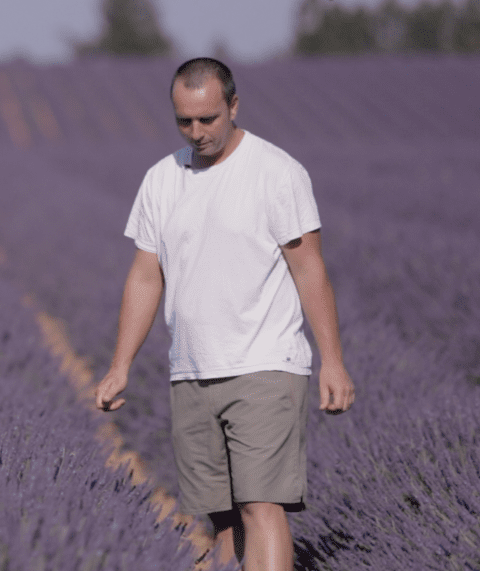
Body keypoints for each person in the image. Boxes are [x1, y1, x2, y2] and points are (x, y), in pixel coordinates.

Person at [95, 57, 354, 571]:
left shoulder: (276, 173)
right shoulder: (162, 179)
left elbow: (309, 270)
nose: (197, 132)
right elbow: (146, 277)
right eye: (184, 121)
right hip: (191, 371)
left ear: (234, 106)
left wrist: (333, 361)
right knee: (221, 518)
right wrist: (120, 364)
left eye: (208, 119)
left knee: (261, 505)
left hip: (264, 363)